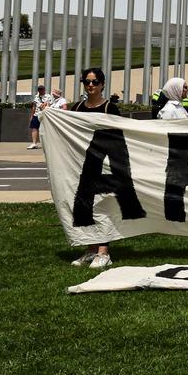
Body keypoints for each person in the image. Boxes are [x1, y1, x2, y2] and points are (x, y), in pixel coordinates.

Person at [69, 68, 120, 269]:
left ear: (102, 84)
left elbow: (118, 138)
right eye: (87, 82)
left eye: (95, 82)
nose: (91, 85)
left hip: (105, 165)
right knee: (84, 206)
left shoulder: (110, 108)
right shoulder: (78, 107)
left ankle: (104, 251)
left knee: (102, 207)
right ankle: (90, 249)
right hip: (82, 165)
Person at [27, 84, 51, 149]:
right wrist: (31, 116)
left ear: (44, 90)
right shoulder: (36, 97)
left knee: (46, 129)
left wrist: (44, 105)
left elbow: (49, 105)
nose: (40, 91)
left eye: (42, 89)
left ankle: (47, 144)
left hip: (44, 115)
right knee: (34, 128)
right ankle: (34, 143)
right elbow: (34, 106)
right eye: (39, 89)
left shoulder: (48, 96)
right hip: (36, 114)